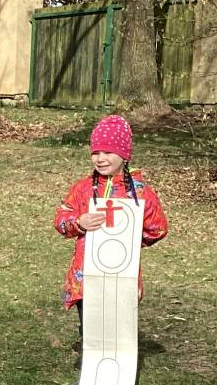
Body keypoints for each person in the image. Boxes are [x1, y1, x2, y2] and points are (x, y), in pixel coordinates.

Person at [53, 115, 169, 334]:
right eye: (95, 152)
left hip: (122, 274)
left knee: (119, 332)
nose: (100, 159)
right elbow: (61, 218)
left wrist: (130, 238)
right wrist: (78, 222)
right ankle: (89, 352)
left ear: (124, 155)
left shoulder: (140, 192)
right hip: (87, 275)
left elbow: (158, 228)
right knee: (90, 330)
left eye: (108, 152)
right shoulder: (82, 188)